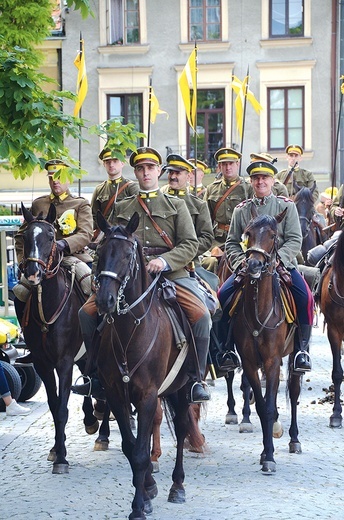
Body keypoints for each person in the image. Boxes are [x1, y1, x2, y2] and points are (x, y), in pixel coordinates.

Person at [71, 147, 212, 403]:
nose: (145, 172)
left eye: (150, 168)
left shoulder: (176, 205)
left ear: (159, 171)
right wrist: (97, 274)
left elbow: (190, 244)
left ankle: (195, 379)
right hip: (127, 277)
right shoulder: (122, 206)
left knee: (201, 316)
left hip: (171, 275)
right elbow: (107, 245)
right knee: (86, 314)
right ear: (135, 172)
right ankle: (95, 375)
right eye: (140, 168)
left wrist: (164, 260)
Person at [218, 159, 314, 372]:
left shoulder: (286, 206)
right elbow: (232, 242)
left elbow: (294, 239)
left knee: (305, 298)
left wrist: (279, 259)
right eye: (256, 178)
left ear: (272, 180)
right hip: (248, 265)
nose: (260, 182)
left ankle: (302, 350)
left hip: (280, 265)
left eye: (265, 178)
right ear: (251, 181)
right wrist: (239, 262)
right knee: (222, 296)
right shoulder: (241, 210)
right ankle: (227, 349)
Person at [14, 159, 94, 324]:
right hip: (41, 260)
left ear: (68, 178)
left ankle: (95, 337)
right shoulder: (38, 204)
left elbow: (86, 234)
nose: (55, 180)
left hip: (72, 258)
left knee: (90, 287)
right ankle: (27, 333)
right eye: (51, 177)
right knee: (20, 293)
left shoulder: (80, 204)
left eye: (59, 176)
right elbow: (22, 236)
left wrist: (63, 244)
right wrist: (23, 261)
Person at [202, 148, 249, 273]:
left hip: (242, 239)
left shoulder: (247, 188)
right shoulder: (212, 189)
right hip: (217, 240)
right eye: (224, 164)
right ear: (219, 166)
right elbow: (205, 220)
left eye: (231, 163)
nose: (228, 167)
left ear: (237, 164)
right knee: (209, 264)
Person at [91, 147, 139, 234]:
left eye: (115, 161)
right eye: (108, 162)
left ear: (122, 163)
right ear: (104, 164)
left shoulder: (131, 187)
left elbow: (138, 214)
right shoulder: (99, 189)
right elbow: (93, 216)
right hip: (105, 235)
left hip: (125, 235)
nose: (111, 165)